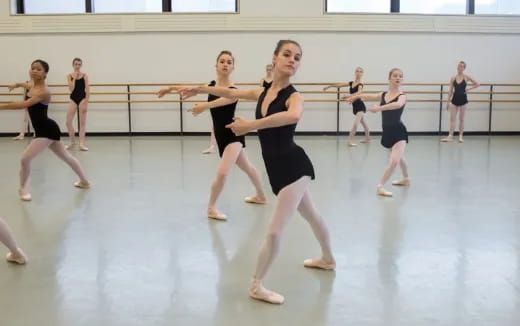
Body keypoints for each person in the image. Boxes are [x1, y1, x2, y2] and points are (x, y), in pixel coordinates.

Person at [176, 40, 336, 304]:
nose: (292, 60)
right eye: (287, 54)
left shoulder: (294, 97)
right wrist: (198, 89)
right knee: (311, 214)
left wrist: (251, 125)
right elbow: (230, 93)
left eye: (297, 57)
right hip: (277, 169)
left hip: (295, 167)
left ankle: (255, 284)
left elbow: (292, 116)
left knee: (274, 231)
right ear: (274, 58)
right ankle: (328, 259)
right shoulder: (263, 92)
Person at [158, 50, 267, 221]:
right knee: (248, 167)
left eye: (229, 62)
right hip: (221, 135)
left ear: (233, 67)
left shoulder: (233, 90)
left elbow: (225, 100)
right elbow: (191, 88)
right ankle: (260, 196)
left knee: (223, 172)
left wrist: (205, 105)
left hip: (233, 132)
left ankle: (211, 208)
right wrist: (170, 89)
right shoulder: (211, 85)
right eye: (222, 61)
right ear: (216, 65)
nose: (225, 64)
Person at [0, 59, 90, 201]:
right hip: (48, 129)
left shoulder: (44, 92)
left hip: (45, 131)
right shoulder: (32, 85)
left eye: (38, 69)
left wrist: (1, 106)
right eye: (32, 68)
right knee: (66, 157)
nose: (34, 71)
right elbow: (26, 84)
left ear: (45, 74)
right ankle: (84, 181)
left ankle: (22, 189)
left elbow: (24, 104)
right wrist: (16, 84)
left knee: (25, 158)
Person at [346, 68, 409, 197]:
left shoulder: (402, 96)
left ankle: (380, 186)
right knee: (400, 157)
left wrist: (379, 108)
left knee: (394, 160)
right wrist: (355, 96)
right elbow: (367, 96)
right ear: (389, 78)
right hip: (387, 131)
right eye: (395, 75)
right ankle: (406, 178)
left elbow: (397, 105)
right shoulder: (383, 94)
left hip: (399, 131)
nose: (398, 78)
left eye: (400, 76)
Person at [323, 67, 370, 146]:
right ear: (355, 73)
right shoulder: (351, 83)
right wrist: (330, 86)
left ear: (362, 74)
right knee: (364, 123)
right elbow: (340, 84)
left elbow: (359, 93)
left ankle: (349, 141)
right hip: (355, 106)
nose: (358, 73)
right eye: (357, 71)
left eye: (360, 72)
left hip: (360, 106)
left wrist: (349, 95)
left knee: (356, 124)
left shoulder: (360, 84)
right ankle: (367, 138)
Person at [441, 61, 480, 143]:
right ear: (457, 67)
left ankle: (460, 136)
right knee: (452, 119)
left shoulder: (466, 77)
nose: (460, 67)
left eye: (461, 66)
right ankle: (450, 136)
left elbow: (477, 84)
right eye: (459, 66)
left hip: (463, 100)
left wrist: (468, 89)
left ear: (464, 68)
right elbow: (450, 91)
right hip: (454, 99)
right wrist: (448, 102)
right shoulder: (453, 78)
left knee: (461, 119)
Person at [65, 58, 90, 151]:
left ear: (81, 65)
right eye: (76, 64)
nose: (77, 66)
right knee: (68, 122)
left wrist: (86, 101)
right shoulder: (69, 76)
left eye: (79, 64)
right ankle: (72, 142)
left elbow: (87, 89)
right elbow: (71, 89)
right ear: (73, 65)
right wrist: (74, 77)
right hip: (73, 99)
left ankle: (81, 144)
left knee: (82, 123)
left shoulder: (85, 76)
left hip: (82, 99)